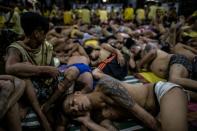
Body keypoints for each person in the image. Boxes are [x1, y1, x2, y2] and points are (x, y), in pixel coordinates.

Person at [63, 70, 188, 131]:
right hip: (158, 112)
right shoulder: (98, 115)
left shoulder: (106, 86)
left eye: (72, 103)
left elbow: (144, 117)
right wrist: (88, 122)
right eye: (74, 112)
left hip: (161, 93)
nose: (76, 108)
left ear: (78, 93)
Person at [5, 12, 58, 131]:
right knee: (24, 74)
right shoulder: (16, 48)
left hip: (45, 89)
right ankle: (40, 114)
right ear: (37, 33)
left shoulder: (46, 46)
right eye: (44, 33)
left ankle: (42, 107)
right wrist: (42, 69)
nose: (45, 37)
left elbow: (53, 72)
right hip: (29, 92)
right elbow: (10, 68)